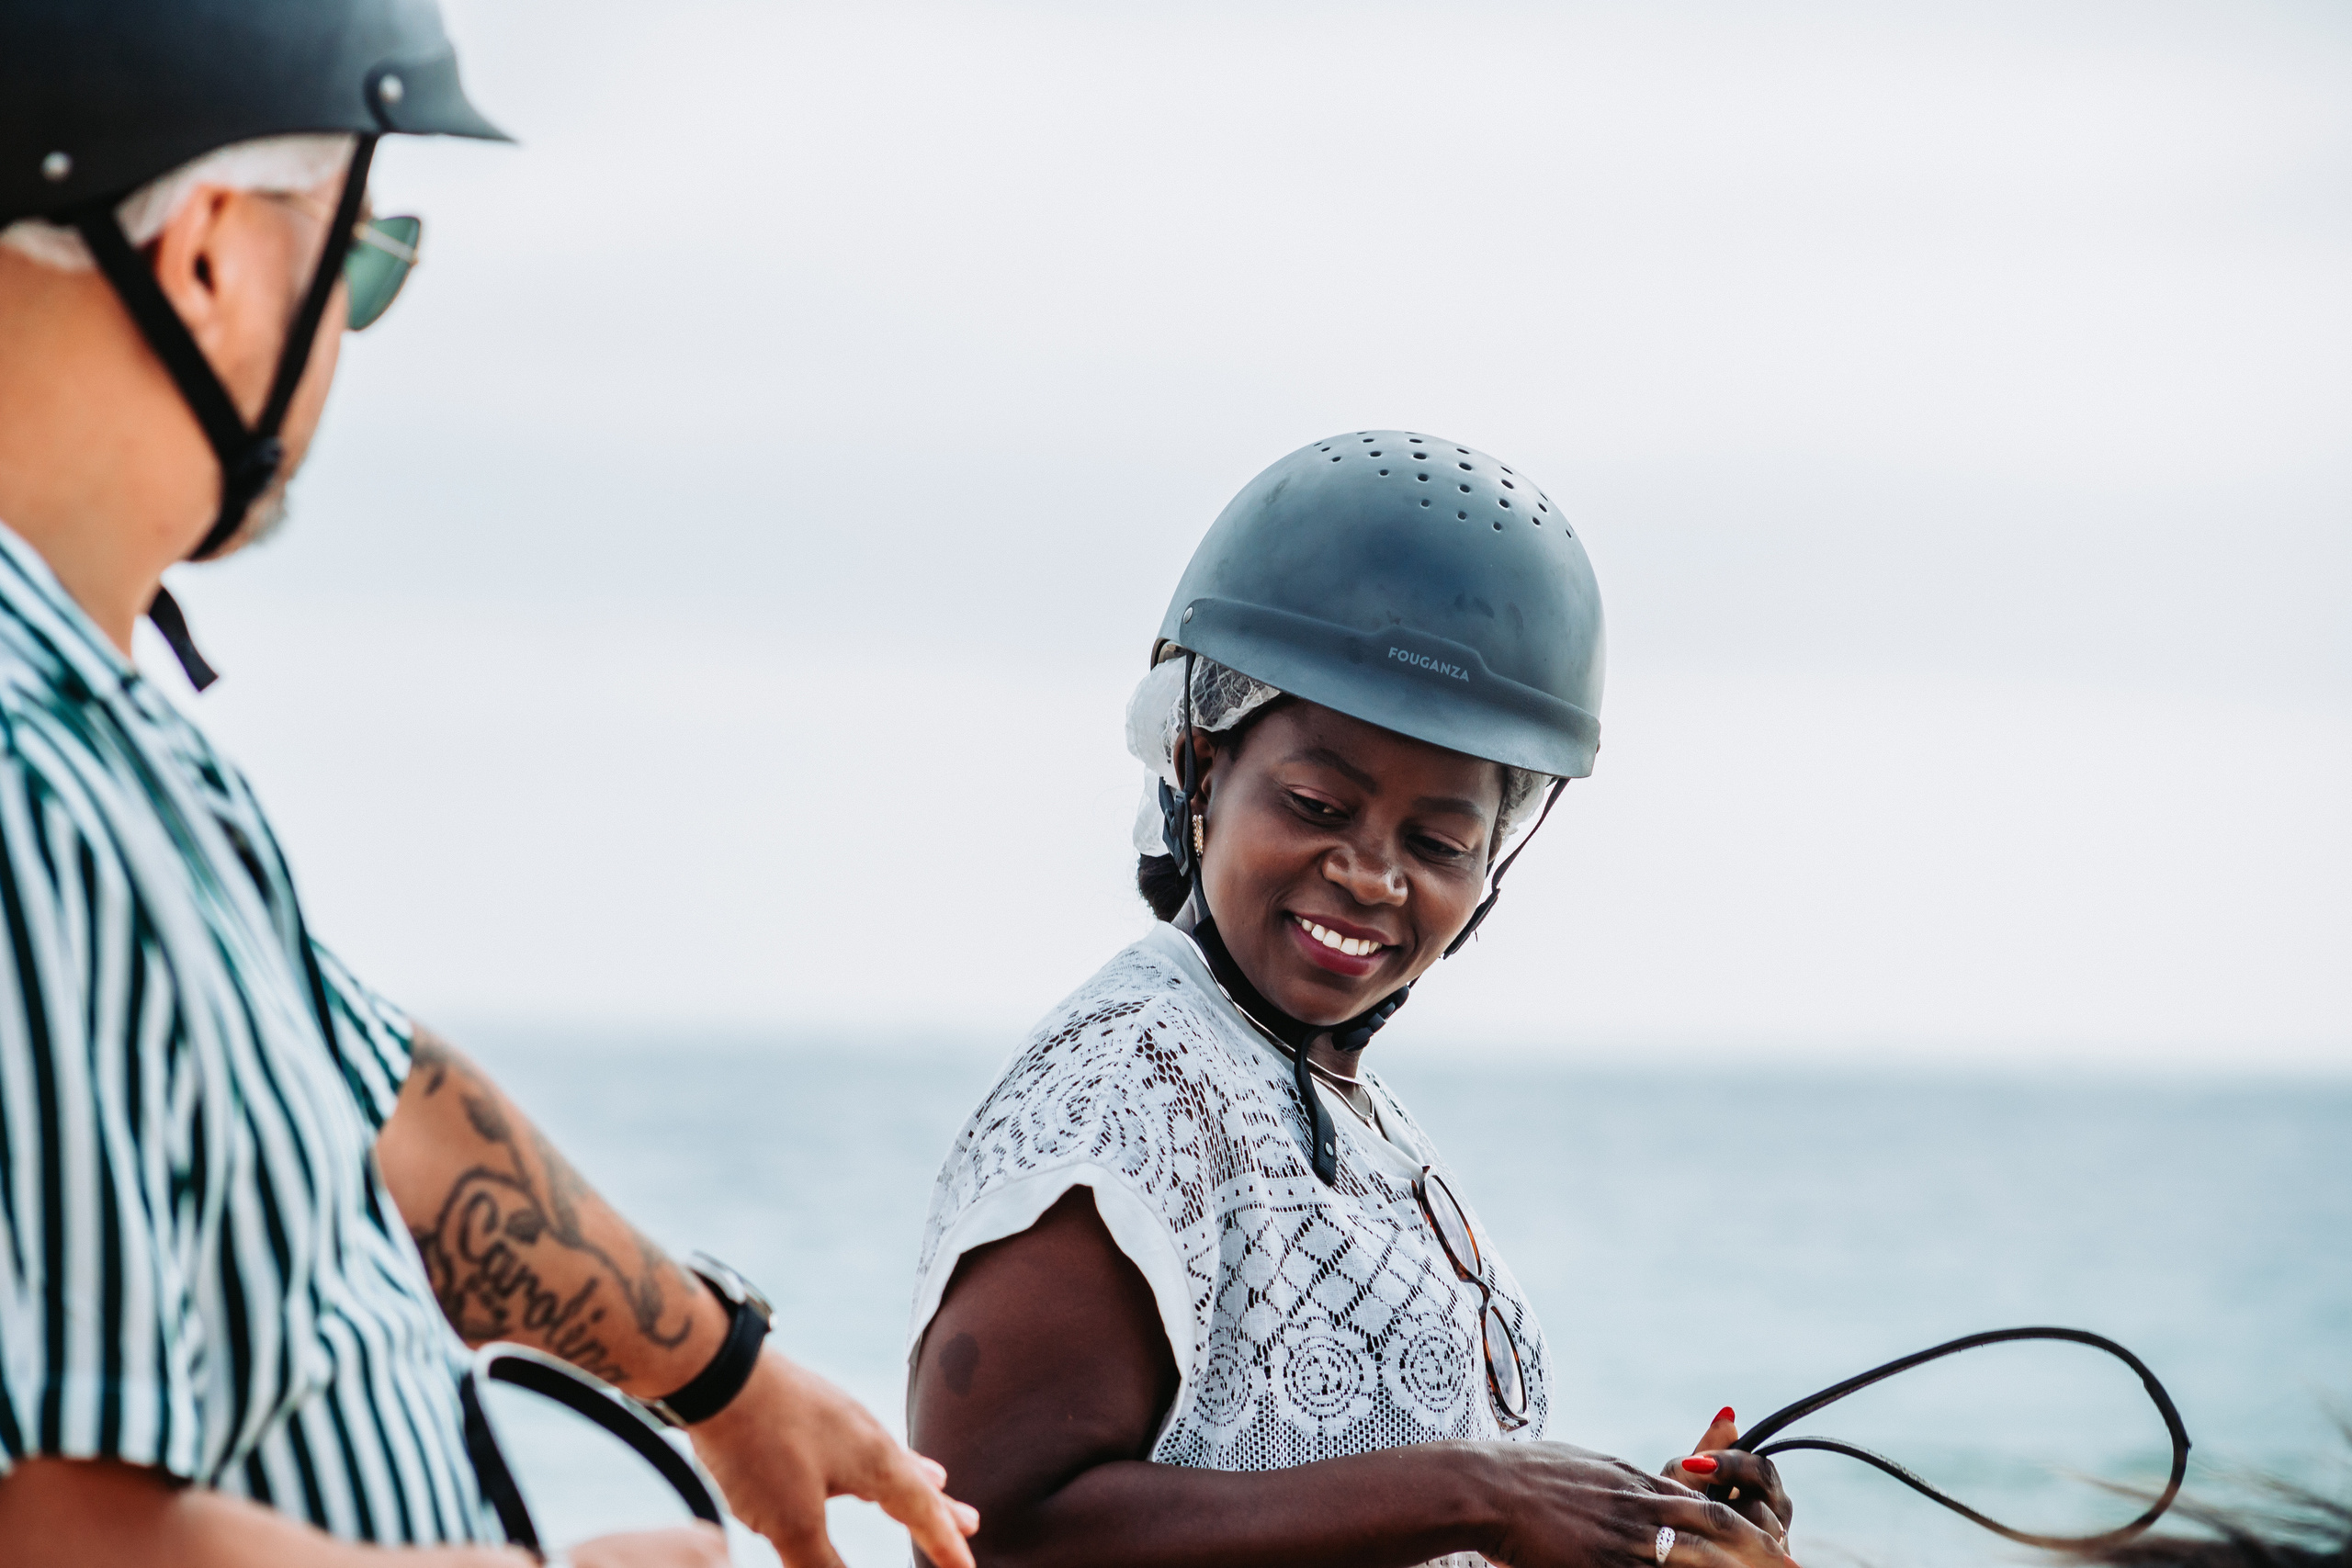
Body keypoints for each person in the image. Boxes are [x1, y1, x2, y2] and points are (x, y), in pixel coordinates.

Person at [0, 5, 978, 1567]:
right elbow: (56, 1536)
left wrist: (725, 1374)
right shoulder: (33, 782)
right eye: (361, 266)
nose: (345, 335)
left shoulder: (118, 737)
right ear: (206, 256)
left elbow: (367, 1101)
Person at [904, 431, 1800, 1568]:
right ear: (1199, 764)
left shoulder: (1330, 1099)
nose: (1374, 875)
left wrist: (1640, 1532)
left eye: (1435, 840)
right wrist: (1481, 1495)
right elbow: (990, 1536)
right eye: (1320, 804)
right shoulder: (1126, 1089)